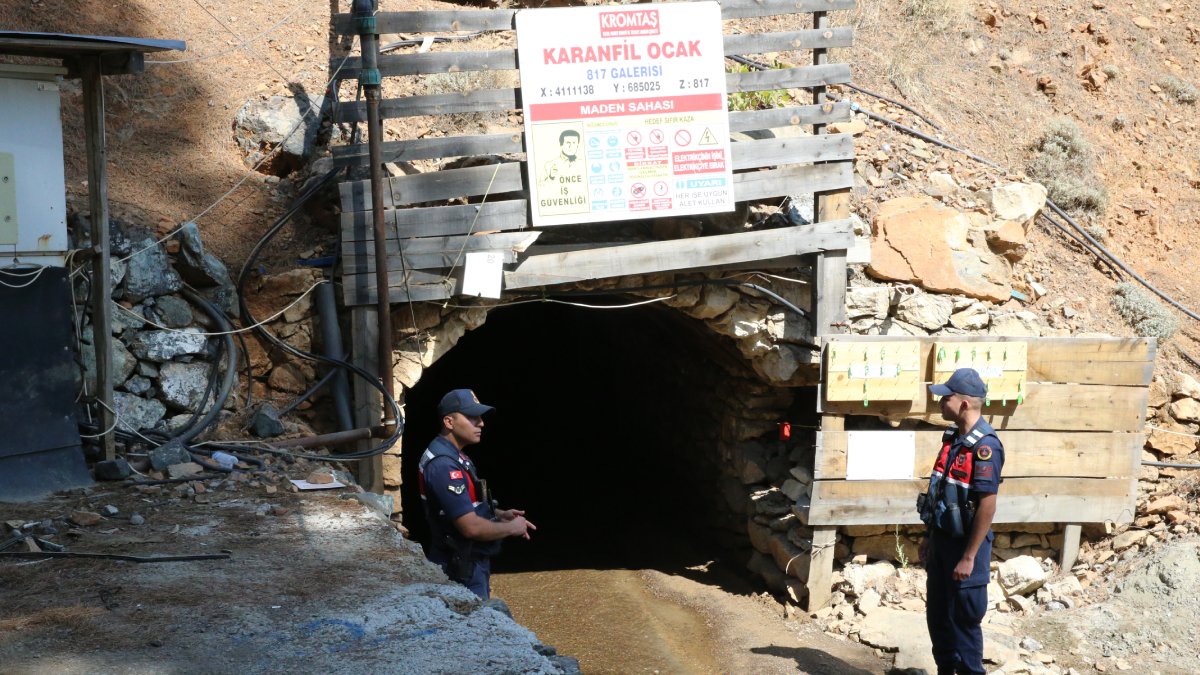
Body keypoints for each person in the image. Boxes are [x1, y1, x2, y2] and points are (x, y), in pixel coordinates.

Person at [917, 368, 1004, 675]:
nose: (940, 402)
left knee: (964, 624)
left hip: (966, 549)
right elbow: (941, 492)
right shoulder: (953, 438)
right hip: (942, 542)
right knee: (938, 619)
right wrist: (929, 537)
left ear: (964, 404)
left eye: (946, 397)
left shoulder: (986, 447)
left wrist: (968, 557)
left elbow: (987, 506)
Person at [417, 388, 535, 599]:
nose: (481, 423)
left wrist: (499, 513)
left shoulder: (454, 455)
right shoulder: (444, 465)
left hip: (467, 562)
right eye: (472, 417)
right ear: (449, 422)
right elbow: (469, 527)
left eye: (479, 417)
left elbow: (464, 504)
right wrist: (511, 527)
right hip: (459, 568)